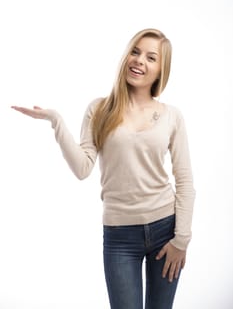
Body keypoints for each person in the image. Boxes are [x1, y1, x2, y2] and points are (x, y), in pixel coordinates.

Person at [11, 28, 195, 309]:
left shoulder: (172, 116)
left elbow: (184, 181)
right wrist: (56, 121)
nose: (139, 61)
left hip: (165, 230)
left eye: (151, 57)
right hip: (120, 236)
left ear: (160, 70)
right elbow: (83, 168)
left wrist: (181, 239)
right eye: (135, 52)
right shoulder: (99, 110)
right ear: (126, 57)